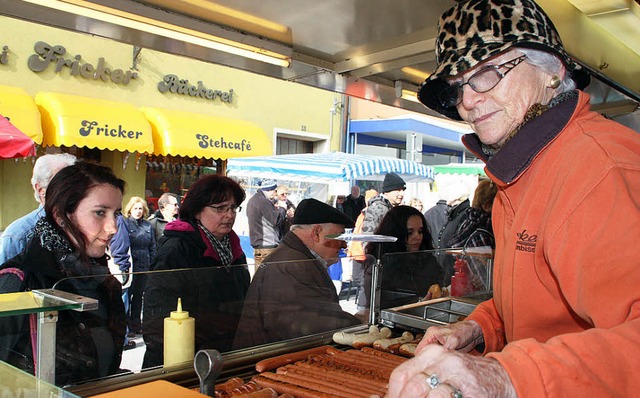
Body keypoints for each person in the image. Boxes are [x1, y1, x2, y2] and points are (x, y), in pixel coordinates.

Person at [387, 0, 640, 397]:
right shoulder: (517, 173)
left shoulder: (600, 168)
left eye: (487, 73)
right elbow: (536, 306)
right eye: (458, 87)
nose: (468, 101)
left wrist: (509, 378)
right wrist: (479, 326)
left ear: (552, 72)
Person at [0, 161, 127, 386]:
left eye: (116, 213)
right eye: (100, 213)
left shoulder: (102, 281)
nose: (113, 227)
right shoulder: (18, 280)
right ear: (60, 215)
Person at [142, 175, 250, 368]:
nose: (229, 215)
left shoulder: (234, 249)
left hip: (223, 355)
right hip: (184, 361)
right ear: (197, 211)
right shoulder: (176, 249)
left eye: (233, 208)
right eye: (220, 208)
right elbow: (157, 317)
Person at [234, 198, 361, 348]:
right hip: (268, 361)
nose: (344, 245)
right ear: (317, 233)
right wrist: (359, 324)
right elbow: (306, 324)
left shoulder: (297, 259)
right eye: (338, 237)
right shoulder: (291, 266)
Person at [0, 153, 76, 263]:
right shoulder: (18, 235)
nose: (72, 189)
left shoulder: (81, 225)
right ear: (41, 190)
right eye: (62, 184)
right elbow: (6, 277)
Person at [362, 205, 443, 310]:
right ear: (395, 233)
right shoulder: (381, 266)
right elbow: (378, 304)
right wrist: (418, 303)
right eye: (410, 232)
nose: (417, 237)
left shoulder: (428, 260)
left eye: (420, 231)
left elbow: (440, 285)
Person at [122, 196, 156, 336]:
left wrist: (153, 264)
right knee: (127, 296)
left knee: (138, 297)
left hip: (144, 264)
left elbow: (153, 246)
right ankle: (127, 326)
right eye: (135, 208)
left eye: (140, 208)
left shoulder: (148, 225)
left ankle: (137, 324)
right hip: (131, 265)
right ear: (130, 210)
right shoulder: (125, 224)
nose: (138, 211)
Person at [246, 179, 286, 266]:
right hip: (267, 247)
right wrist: (283, 208)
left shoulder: (253, 200)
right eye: (275, 191)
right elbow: (275, 220)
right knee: (269, 277)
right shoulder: (262, 201)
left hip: (260, 247)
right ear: (270, 189)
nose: (275, 194)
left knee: (260, 277)